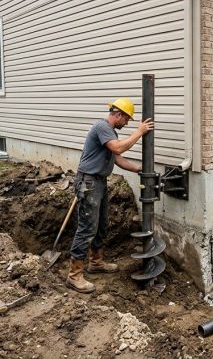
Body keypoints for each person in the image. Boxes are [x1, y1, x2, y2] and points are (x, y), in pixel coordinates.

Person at [66, 98, 154, 293]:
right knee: (87, 227)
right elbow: (118, 148)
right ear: (118, 114)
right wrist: (139, 132)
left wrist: (139, 169)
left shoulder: (110, 133)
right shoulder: (102, 126)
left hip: (99, 182)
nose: (127, 123)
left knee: (101, 225)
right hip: (89, 182)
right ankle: (74, 276)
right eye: (127, 119)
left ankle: (96, 262)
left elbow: (117, 159)